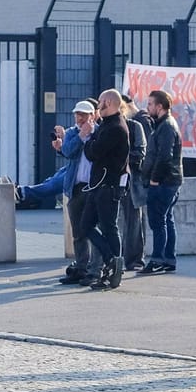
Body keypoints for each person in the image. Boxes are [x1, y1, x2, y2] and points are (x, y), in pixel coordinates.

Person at [77, 89, 131, 290]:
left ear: (108, 102)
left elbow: (93, 153)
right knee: (86, 226)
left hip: (108, 185)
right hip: (99, 183)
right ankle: (112, 260)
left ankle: (113, 267)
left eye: (100, 101)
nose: (97, 105)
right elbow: (94, 150)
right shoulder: (107, 125)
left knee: (109, 227)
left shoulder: (115, 127)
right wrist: (92, 139)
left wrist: (89, 138)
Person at [138, 89, 183, 273]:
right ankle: (168, 259)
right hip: (169, 180)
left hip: (164, 182)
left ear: (160, 106)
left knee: (158, 222)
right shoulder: (163, 124)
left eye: (150, 104)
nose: (147, 107)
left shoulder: (166, 126)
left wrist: (155, 179)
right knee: (167, 220)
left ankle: (157, 259)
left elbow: (164, 156)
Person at [57, 102, 102, 285]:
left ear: (92, 115)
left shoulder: (100, 132)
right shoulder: (72, 133)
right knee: (78, 231)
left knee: (94, 229)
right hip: (76, 187)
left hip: (93, 187)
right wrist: (81, 136)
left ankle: (96, 269)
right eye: (77, 115)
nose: (80, 118)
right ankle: (81, 267)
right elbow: (67, 151)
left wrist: (89, 135)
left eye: (83, 115)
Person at [119, 90, 150, 272]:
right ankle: (115, 258)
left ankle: (135, 259)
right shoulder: (106, 127)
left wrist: (120, 158)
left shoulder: (136, 126)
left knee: (134, 221)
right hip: (112, 180)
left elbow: (141, 153)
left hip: (133, 180)